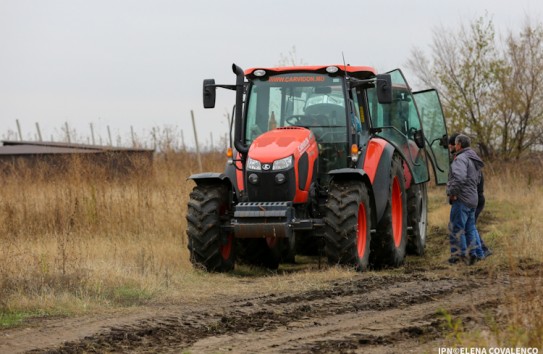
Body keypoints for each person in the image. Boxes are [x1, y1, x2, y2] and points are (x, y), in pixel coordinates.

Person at [448, 134, 491, 258]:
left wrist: (453, 193)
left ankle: (459, 256)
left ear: (459, 144)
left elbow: (459, 178)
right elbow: (478, 180)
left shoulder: (460, 159)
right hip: (473, 198)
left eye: (455, 144)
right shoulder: (473, 158)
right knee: (470, 228)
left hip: (462, 199)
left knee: (456, 227)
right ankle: (476, 254)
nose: (454, 146)